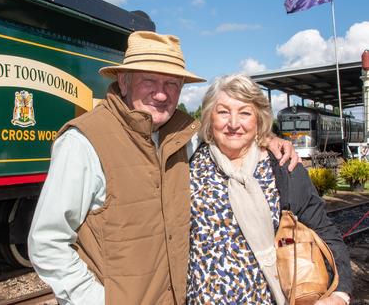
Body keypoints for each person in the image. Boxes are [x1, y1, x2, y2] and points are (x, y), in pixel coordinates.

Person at [28, 31, 299, 305]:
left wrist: (267, 138)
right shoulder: (83, 142)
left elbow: (231, 135)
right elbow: (48, 241)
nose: (161, 93)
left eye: (171, 83)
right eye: (149, 80)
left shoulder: (184, 138)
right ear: (124, 81)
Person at [186, 74, 352, 305]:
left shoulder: (284, 167)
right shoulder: (187, 162)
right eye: (223, 111)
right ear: (208, 117)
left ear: (259, 120)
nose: (233, 123)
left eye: (245, 112)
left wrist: (340, 293)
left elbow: (324, 230)